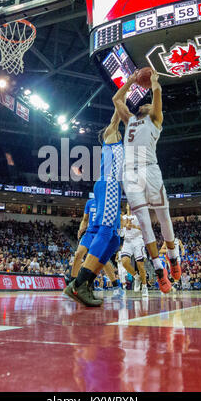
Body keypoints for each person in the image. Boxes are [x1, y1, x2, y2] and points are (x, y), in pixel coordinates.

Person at [112, 69, 181, 294]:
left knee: (163, 217)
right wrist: (131, 81)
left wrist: (152, 81)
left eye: (149, 104)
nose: (145, 104)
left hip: (150, 171)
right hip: (129, 174)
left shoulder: (156, 120)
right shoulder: (130, 120)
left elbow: (157, 92)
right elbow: (116, 99)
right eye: (145, 104)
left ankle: (173, 257)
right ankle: (159, 271)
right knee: (143, 222)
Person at [64, 108, 123, 307]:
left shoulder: (118, 145)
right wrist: (129, 85)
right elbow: (117, 111)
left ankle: (86, 283)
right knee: (106, 232)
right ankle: (77, 284)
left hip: (113, 186)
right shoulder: (111, 136)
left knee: (114, 240)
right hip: (109, 184)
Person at [121, 203, 148, 297]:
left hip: (137, 240)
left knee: (140, 265)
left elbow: (145, 228)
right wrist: (123, 226)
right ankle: (136, 277)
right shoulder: (123, 217)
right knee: (124, 262)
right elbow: (123, 230)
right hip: (127, 241)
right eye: (128, 204)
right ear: (127, 206)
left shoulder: (139, 216)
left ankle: (144, 287)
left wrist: (134, 227)